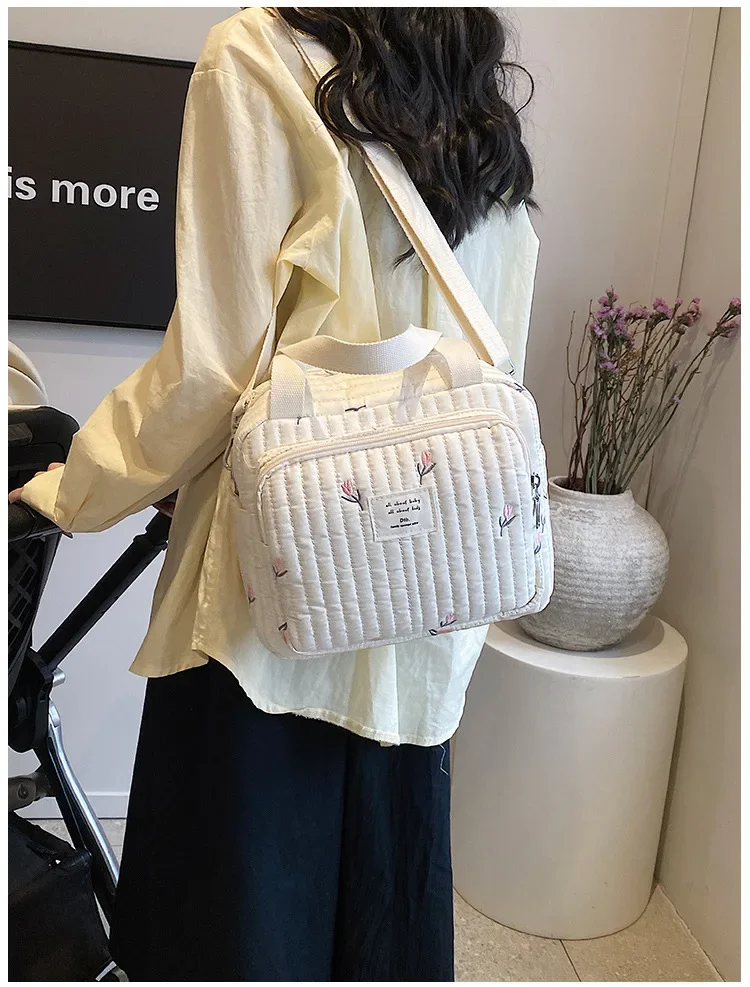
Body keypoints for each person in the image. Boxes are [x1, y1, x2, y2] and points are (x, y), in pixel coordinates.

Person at [11, 8, 540, 981]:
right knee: (373, 929)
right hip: (422, 606)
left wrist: (71, 490)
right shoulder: (471, 84)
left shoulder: (259, 53)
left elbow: (212, 370)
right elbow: (495, 353)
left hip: (274, 594)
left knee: (236, 927)